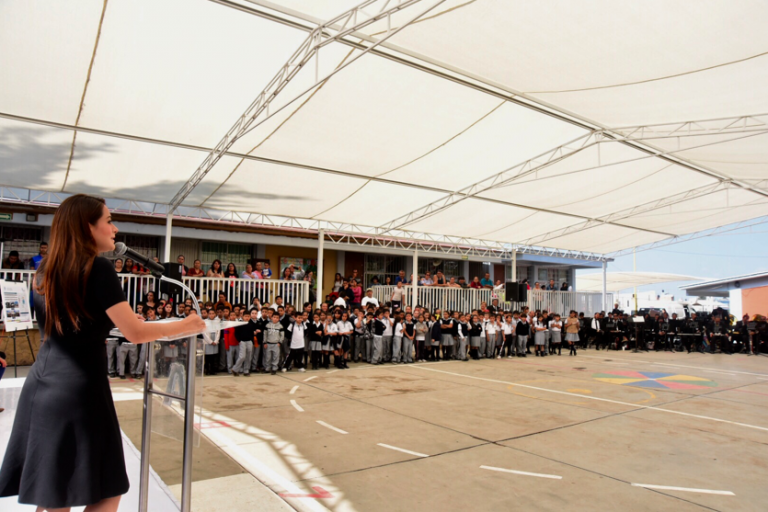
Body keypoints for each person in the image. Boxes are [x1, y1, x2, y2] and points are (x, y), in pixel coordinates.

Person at [0, 194, 205, 511]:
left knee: (55, 492)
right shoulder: (98, 269)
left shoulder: (44, 272)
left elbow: (72, 325)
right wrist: (186, 324)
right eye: (108, 220)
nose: (115, 228)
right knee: (108, 488)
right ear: (87, 227)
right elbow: (135, 334)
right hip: (80, 393)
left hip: (42, 386)